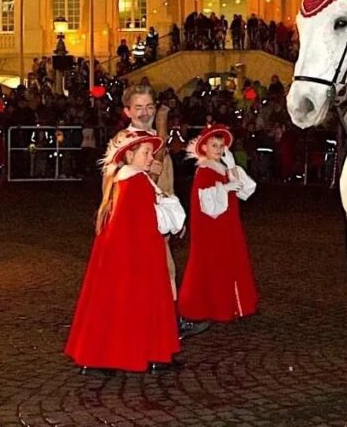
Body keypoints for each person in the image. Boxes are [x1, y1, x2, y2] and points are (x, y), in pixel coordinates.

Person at [65, 130, 186, 373]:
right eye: (146, 152)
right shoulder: (136, 182)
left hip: (118, 256)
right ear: (129, 154)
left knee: (109, 302)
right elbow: (154, 224)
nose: (151, 157)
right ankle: (151, 352)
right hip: (139, 255)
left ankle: (100, 355)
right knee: (144, 301)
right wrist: (167, 206)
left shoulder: (121, 181)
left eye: (151, 152)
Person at [110, 84, 210, 339]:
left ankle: (162, 323)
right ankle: (163, 327)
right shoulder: (125, 142)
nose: (145, 113)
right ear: (127, 111)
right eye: (139, 107)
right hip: (141, 221)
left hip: (160, 215)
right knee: (158, 273)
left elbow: (164, 178)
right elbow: (138, 180)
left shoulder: (154, 136)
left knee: (165, 272)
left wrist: (174, 215)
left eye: (149, 107)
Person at [178, 124, 259, 323]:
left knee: (228, 261)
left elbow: (243, 190)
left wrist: (231, 168)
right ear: (204, 147)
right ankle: (210, 306)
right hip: (212, 229)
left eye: (221, 145)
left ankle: (230, 304)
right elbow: (207, 204)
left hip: (227, 224)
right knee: (213, 264)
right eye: (214, 145)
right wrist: (224, 188)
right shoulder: (204, 170)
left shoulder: (220, 167)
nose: (219, 149)